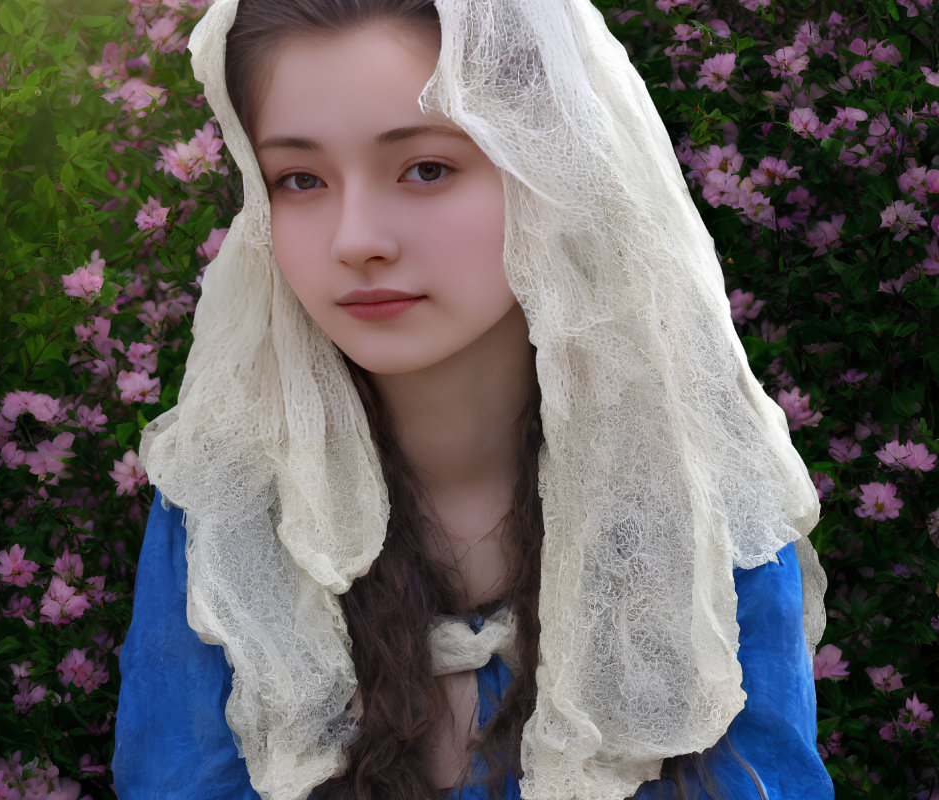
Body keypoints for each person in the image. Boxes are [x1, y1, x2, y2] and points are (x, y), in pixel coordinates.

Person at [112, 1, 835, 799]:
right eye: (301, 179)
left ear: (548, 170)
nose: (356, 238)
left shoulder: (698, 486)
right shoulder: (229, 506)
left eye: (426, 168)